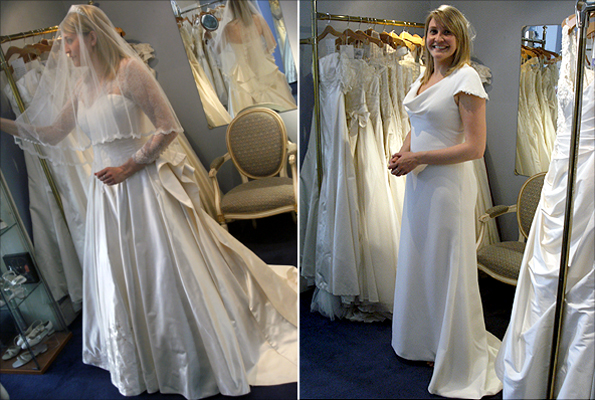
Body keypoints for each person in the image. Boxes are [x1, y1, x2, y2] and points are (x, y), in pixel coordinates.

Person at [0, 5, 297, 399]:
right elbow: (52, 133)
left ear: (91, 37)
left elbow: (168, 126)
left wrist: (130, 166)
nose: (64, 50)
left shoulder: (129, 70)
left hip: (142, 184)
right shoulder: (82, 86)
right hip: (108, 196)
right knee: (123, 275)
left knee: (165, 269)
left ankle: (189, 351)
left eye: (69, 40)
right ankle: (147, 357)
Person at [388, 5, 502, 398]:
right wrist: (404, 151)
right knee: (422, 257)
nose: (438, 38)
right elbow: (418, 123)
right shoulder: (425, 77)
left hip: (448, 188)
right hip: (421, 184)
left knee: (445, 262)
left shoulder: (466, 78)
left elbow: (474, 147)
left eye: (446, 32)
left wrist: (418, 157)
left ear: (459, 38)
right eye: (433, 31)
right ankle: (424, 340)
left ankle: (449, 346)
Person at [212, 0, 296, 118]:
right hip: (263, 67)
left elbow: (217, 50)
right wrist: (261, 56)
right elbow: (271, 43)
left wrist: (210, 38)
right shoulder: (258, 19)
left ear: (230, 7)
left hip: (242, 74)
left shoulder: (228, 28)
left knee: (244, 108)